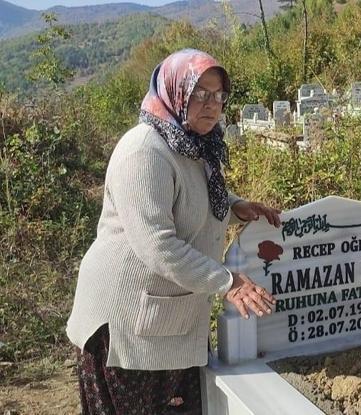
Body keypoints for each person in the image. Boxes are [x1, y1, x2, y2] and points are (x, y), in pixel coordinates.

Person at [66, 49, 281, 414]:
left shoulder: (191, 144)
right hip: (127, 325)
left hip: (165, 318)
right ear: (175, 91)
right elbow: (157, 244)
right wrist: (230, 282)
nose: (212, 105)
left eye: (218, 96)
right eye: (200, 94)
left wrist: (233, 206)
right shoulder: (144, 152)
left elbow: (189, 196)